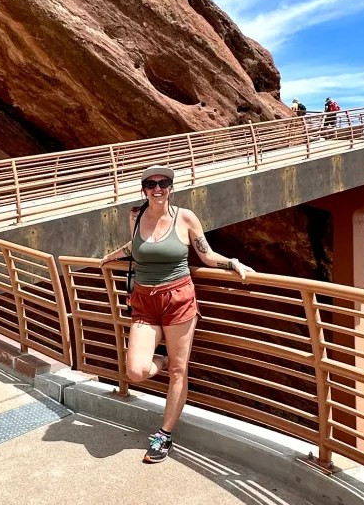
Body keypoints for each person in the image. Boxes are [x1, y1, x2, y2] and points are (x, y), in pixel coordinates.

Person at [100, 165, 256, 463]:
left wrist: (232, 263)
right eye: (151, 184)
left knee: (178, 373)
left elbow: (206, 254)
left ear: (171, 188)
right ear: (143, 189)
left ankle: (164, 435)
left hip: (178, 299)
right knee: (136, 371)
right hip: (144, 301)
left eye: (163, 183)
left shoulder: (185, 217)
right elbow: (136, 245)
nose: (157, 189)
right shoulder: (135, 215)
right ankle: (168, 358)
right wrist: (112, 255)